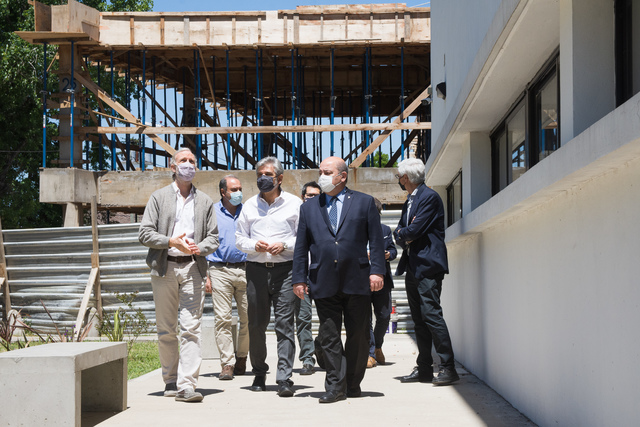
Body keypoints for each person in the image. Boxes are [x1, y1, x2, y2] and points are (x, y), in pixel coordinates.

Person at [292, 156, 385, 404]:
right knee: (329, 336)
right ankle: (335, 385)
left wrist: (377, 271)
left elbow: (376, 241)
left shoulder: (364, 203)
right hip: (323, 280)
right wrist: (299, 278)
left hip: (357, 279)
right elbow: (301, 247)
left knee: (358, 335)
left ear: (342, 176)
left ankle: (352, 383)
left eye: (327, 171)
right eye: (320, 171)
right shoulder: (309, 207)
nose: (321, 175)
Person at [138, 147, 219, 403]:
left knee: (191, 327)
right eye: (183, 161)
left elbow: (213, 237)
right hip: (165, 267)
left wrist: (200, 248)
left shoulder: (204, 201)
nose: (188, 165)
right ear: (173, 167)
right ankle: (170, 380)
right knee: (166, 329)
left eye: (192, 161)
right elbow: (145, 233)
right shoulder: (159, 197)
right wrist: (170, 241)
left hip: (193, 268)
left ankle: (187, 385)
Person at [235, 156, 302, 397]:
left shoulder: (295, 204)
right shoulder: (249, 206)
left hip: (285, 271)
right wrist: (256, 245)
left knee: (285, 324)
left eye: (268, 175)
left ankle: (284, 377)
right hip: (256, 272)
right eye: (260, 175)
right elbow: (239, 239)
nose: (263, 179)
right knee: (256, 324)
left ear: (280, 178)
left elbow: (302, 237)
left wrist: (284, 244)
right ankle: (259, 372)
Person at [393, 158, 459, 386]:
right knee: (419, 318)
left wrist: (404, 233)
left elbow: (412, 230)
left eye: (399, 177)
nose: (398, 181)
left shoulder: (429, 197)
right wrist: (404, 234)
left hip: (428, 266)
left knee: (431, 314)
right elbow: (401, 231)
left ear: (407, 178)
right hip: (413, 265)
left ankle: (448, 368)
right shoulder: (410, 200)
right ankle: (424, 369)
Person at [205, 175, 249, 381]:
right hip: (219, 269)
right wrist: (205, 274)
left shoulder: (248, 210)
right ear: (223, 192)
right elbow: (202, 240)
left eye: (239, 188)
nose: (238, 192)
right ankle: (227, 363)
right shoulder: (211, 212)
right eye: (234, 189)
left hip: (247, 270)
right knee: (222, 318)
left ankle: (242, 357)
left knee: (248, 318)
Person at [295, 181, 323, 375]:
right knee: (303, 318)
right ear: (302, 197)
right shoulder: (295, 216)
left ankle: (321, 349)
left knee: (328, 318)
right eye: (309, 195)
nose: (311, 198)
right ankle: (307, 358)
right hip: (302, 275)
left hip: (322, 273)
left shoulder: (326, 216)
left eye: (316, 195)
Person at [367, 198, 397, 368]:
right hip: (362, 279)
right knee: (365, 319)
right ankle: (370, 353)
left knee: (384, 316)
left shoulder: (385, 230)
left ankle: (378, 346)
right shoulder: (357, 230)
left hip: (383, 280)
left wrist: (388, 254)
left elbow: (393, 250)